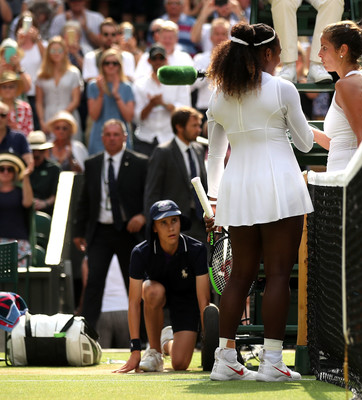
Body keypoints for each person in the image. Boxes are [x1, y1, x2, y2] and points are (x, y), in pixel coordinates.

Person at [205, 22, 314, 381]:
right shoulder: (283, 89)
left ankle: (225, 361)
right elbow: (305, 144)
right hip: (279, 185)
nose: (281, 60)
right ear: (266, 54)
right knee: (279, 275)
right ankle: (272, 362)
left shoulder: (219, 95)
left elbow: (215, 156)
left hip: (237, 190)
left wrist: (214, 198)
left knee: (239, 278)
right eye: (279, 54)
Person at [114, 200, 211, 373]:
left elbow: (204, 300)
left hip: (186, 301)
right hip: (157, 295)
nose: (171, 227)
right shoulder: (140, 252)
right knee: (151, 290)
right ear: (154, 228)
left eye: (174, 220)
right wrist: (135, 350)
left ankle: (167, 343)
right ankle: (155, 352)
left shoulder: (197, 250)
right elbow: (134, 302)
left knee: (180, 364)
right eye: (163, 223)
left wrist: (209, 345)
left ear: (180, 222)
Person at [72, 119, 148, 330]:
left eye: (117, 134)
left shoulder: (140, 162)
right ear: (102, 138)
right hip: (100, 231)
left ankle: (143, 337)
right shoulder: (93, 163)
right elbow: (85, 200)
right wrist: (78, 231)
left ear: (125, 137)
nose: (112, 138)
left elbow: (149, 196)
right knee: (94, 283)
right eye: (108, 134)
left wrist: (142, 216)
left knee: (134, 284)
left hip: (128, 231)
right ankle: (85, 334)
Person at [312, 20, 362, 172]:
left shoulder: (347, 85)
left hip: (347, 181)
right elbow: (336, 144)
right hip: (343, 175)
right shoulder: (356, 81)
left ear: (342, 50)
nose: (319, 54)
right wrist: (304, 128)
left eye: (324, 48)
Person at [144, 107, 208, 242]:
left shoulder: (198, 149)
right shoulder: (163, 152)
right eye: (194, 126)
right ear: (179, 127)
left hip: (199, 222)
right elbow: (152, 192)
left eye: (199, 125)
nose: (199, 130)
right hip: (173, 222)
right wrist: (154, 224)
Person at [133, 44, 191, 157]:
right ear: (149, 61)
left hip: (170, 138)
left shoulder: (179, 82)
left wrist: (165, 105)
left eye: (161, 58)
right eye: (154, 58)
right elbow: (137, 118)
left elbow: (186, 111)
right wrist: (151, 104)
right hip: (145, 138)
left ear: (166, 59)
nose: (158, 61)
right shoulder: (139, 84)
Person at [87, 49, 135, 156]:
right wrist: (101, 93)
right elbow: (94, 116)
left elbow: (129, 117)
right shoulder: (93, 86)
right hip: (99, 137)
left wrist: (117, 95)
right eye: (106, 63)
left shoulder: (127, 86)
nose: (111, 66)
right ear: (101, 65)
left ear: (120, 66)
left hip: (121, 137)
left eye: (115, 63)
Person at [35, 36, 84, 135]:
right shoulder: (41, 74)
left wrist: (59, 117)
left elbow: (75, 101)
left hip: (69, 116)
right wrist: (41, 121)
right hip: (48, 116)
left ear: (65, 51)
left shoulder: (74, 73)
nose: (56, 53)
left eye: (59, 50)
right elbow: (39, 102)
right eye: (53, 50)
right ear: (48, 52)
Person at [0, 152, 32, 269]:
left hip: (19, 242)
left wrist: (26, 177)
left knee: (21, 280)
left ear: (15, 173)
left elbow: (28, 202)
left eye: (10, 169)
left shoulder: (20, 191)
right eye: (1, 169)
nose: (6, 172)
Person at [81, 18, 136, 83]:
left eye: (113, 34)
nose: (109, 38)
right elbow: (90, 80)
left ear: (117, 36)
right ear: (100, 36)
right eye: (106, 34)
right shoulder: (90, 56)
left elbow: (128, 79)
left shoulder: (127, 56)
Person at [27, 130, 60, 216]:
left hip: (47, 212)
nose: (36, 154)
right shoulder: (22, 169)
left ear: (45, 150)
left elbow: (56, 194)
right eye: (33, 150)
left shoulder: (54, 169)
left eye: (40, 150)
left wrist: (44, 203)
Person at [0, 100, 33, 172]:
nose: (0, 119)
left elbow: (29, 163)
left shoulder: (19, 137)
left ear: (8, 117)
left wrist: (22, 176)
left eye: (3, 115)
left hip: (15, 180)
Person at [0, 70, 33, 137]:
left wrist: (17, 130)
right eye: (4, 87)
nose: (7, 90)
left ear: (16, 89)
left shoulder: (25, 107)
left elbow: (30, 132)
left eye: (11, 87)